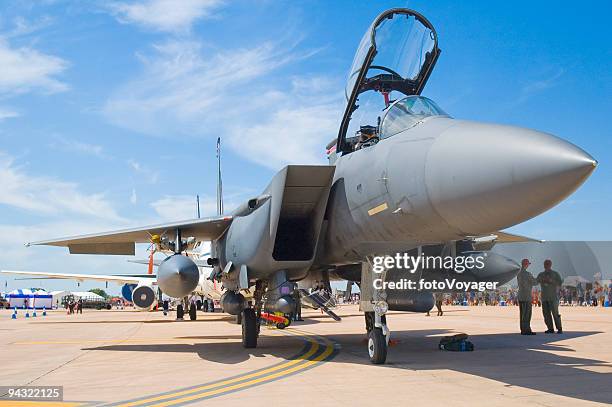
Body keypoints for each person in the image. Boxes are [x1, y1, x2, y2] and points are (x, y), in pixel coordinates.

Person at [537, 259, 563, 334]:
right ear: (544, 265)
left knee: (555, 313)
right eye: (545, 264)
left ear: (551, 265)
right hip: (544, 297)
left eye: (548, 264)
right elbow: (536, 281)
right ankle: (550, 328)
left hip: (553, 297)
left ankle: (559, 328)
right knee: (546, 314)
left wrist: (551, 281)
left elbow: (560, 283)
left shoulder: (555, 274)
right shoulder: (541, 274)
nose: (546, 265)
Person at [517, 258, 537, 335]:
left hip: (521, 296)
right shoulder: (527, 274)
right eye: (528, 264)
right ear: (526, 264)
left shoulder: (519, 273)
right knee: (527, 314)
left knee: (522, 314)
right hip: (526, 296)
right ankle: (527, 330)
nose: (528, 265)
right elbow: (534, 282)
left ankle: (523, 329)